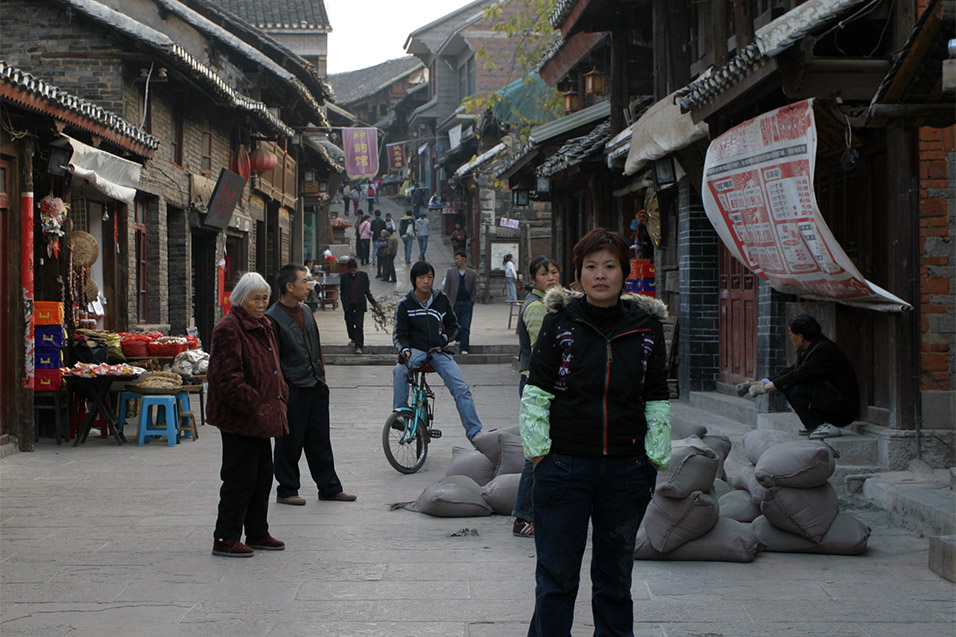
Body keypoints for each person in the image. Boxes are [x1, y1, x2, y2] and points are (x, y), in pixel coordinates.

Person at [520, 228, 670, 635]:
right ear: (578, 274)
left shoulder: (646, 327)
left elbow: (657, 394)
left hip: (626, 469)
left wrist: (654, 457)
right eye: (591, 267)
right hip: (564, 466)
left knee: (615, 581)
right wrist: (540, 455)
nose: (600, 275)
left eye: (609, 266)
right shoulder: (559, 322)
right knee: (556, 579)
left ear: (624, 274)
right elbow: (537, 390)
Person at [208, 272, 289, 558]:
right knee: (239, 477)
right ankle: (225, 537)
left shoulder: (265, 325)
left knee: (262, 475)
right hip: (239, 417)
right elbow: (226, 379)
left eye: (265, 298)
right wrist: (254, 403)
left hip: (262, 415)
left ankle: (257, 531)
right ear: (242, 298)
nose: (261, 303)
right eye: (256, 298)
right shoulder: (229, 328)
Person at [267, 265, 356, 507]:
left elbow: (315, 347)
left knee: (320, 440)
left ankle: (329, 487)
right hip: (292, 387)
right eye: (304, 281)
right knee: (289, 441)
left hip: (315, 384)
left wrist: (322, 379)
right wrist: (281, 390)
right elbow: (273, 359)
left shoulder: (306, 311)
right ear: (289, 286)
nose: (308, 285)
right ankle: (287, 489)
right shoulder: (272, 317)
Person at [392, 261, 483, 442]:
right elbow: (399, 334)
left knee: (461, 388)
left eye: (430, 277)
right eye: (422, 277)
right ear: (414, 280)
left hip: (438, 352)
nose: (426, 281)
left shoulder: (441, 300)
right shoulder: (404, 305)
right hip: (415, 351)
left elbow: (453, 326)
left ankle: (476, 434)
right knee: (399, 370)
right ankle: (401, 414)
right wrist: (405, 349)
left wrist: (443, 339)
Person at [738, 314, 859, 439]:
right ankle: (813, 425)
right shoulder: (810, 348)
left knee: (794, 388)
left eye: (791, 334)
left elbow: (799, 375)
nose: (790, 338)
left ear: (800, 336)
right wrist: (759, 383)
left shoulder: (824, 350)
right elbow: (791, 370)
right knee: (789, 384)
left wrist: (765, 389)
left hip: (843, 407)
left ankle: (822, 424)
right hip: (830, 398)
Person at [511, 256, 561, 538]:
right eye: (545, 273)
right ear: (534, 280)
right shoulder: (535, 307)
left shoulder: (552, 303)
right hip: (538, 385)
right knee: (537, 452)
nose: (551, 277)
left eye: (555, 271)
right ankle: (523, 516)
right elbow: (544, 349)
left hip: (546, 384)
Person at [442, 251, 480, 355]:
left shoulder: (472, 274)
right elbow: (447, 288)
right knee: (453, 323)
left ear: (464, 260)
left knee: (465, 325)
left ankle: (464, 347)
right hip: (454, 302)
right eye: (456, 259)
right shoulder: (451, 273)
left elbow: (474, 289)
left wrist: (472, 301)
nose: (456, 261)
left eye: (458, 259)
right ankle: (452, 341)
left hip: (467, 302)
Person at [339, 258, 377, 355]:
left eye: (354, 270)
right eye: (351, 270)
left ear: (357, 268)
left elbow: (367, 291)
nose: (353, 272)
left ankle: (359, 345)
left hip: (360, 303)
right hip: (349, 304)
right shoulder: (344, 277)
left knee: (359, 324)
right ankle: (353, 338)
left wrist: (373, 302)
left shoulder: (363, 276)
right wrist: (344, 303)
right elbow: (342, 292)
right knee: (349, 322)